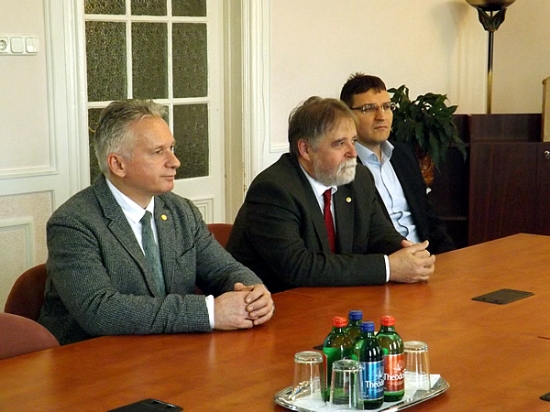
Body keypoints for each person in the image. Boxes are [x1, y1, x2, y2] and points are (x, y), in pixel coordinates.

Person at [38, 99, 274, 345]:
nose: (175, 161)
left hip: (169, 350)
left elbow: (224, 270)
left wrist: (253, 293)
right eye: (158, 152)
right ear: (118, 164)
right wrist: (210, 313)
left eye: (171, 148)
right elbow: (100, 311)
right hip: (93, 357)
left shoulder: (181, 210)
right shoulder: (73, 223)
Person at [226, 96, 435, 293]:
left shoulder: (359, 178)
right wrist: (388, 267)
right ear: (306, 149)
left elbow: (378, 234)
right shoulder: (273, 190)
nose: (353, 153)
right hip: (275, 305)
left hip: (334, 299)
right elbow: (298, 267)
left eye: (353, 140)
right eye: (340, 143)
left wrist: (408, 253)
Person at [340, 74, 455, 254]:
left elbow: (427, 215)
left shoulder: (403, 154)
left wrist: (450, 255)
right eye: (369, 109)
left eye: (387, 107)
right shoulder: (343, 166)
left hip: (427, 255)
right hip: (388, 262)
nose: (381, 116)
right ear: (347, 116)